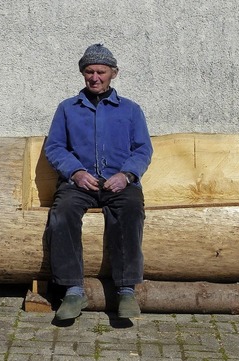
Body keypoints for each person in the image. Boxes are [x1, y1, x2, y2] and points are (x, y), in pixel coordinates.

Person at [44, 44, 153, 320]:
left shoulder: (130, 110)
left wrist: (127, 175)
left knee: (130, 209)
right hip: (79, 184)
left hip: (119, 183)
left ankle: (127, 291)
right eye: (89, 71)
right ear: (83, 74)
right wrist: (76, 172)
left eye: (100, 72)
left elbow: (142, 149)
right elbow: (55, 147)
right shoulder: (67, 109)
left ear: (113, 73)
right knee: (62, 213)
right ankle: (72, 291)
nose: (94, 77)